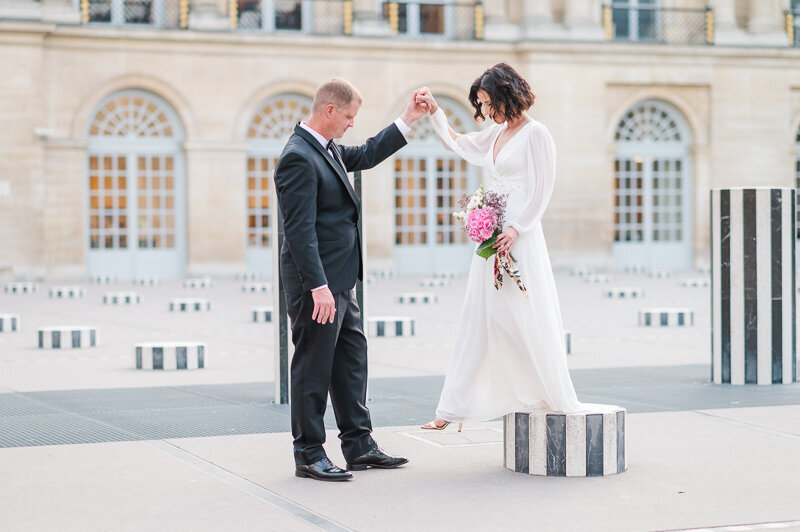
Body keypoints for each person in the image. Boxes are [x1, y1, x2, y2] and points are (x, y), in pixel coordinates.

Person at [415, 64, 585, 431]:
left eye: (488, 102)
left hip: (517, 236)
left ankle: (543, 391)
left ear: (507, 95)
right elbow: (458, 141)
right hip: (491, 236)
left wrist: (517, 228)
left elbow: (543, 189)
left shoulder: (537, 133)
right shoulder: (494, 134)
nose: (486, 110)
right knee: (479, 314)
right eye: (481, 104)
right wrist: (436, 112)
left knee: (522, 313)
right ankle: (452, 408)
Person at [273, 79, 428, 481]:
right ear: (329, 111)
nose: (351, 124)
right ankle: (308, 453)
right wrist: (318, 288)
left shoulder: (327, 150)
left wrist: (408, 118)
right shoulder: (297, 157)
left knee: (350, 365)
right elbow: (299, 232)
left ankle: (359, 446)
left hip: (342, 283)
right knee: (313, 369)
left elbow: (369, 152)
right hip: (318, 289)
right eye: (348, 116)